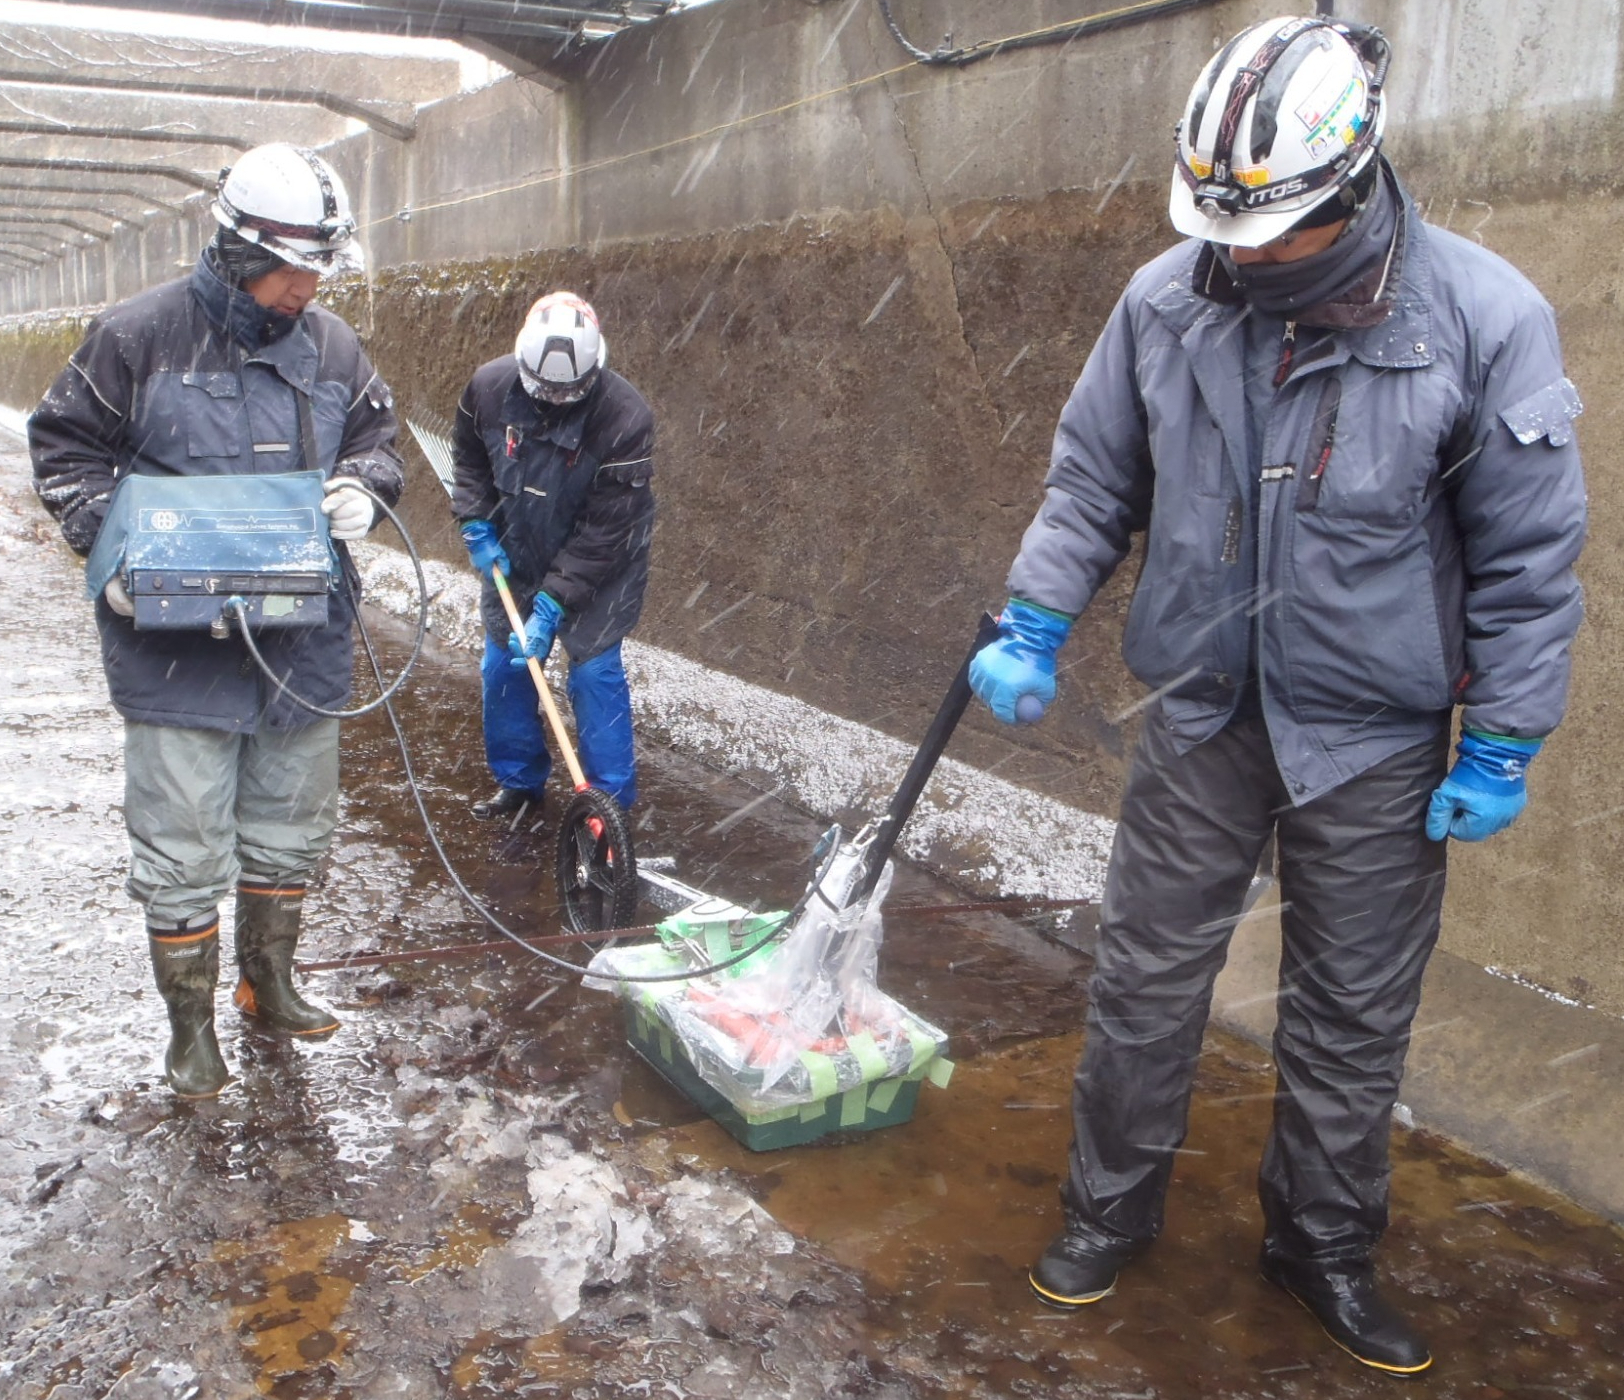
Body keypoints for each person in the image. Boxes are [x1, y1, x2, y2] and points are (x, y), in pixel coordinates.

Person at [969, 16, 1585, 1376]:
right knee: (1143, 985)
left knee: (1353, 1014)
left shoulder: (1483, 321)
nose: (1240, 258)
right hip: (1197, 714)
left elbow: (1528, 560)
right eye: (1222, 231)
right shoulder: (1165, 302)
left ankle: (1320, 1247)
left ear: (1351, 186)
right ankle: (1106, 1211)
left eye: (1272, 234)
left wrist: (1505, 740)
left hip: (1373, 742)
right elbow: (1092, 481)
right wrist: (1037, 613)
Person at [30, 142, 404, 1099]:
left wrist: (364, 486)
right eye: (292, 268)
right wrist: (107, 554)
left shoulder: (333, 347)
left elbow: (376, 438)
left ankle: (267, 981)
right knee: (183, 843)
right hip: (176, 650)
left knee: (290, 825)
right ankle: (189, 1027)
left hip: (303, 637)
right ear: (238, 249)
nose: (305, 288)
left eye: (320, 269)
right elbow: (65, 447)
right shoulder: (138, 337)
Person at [451, 291, 655, 820]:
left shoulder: (625, 418)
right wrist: (475, 520)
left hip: (603, 562)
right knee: (506, 666)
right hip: (517, 541)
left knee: (593, 674)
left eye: (568, 393)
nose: (554, 402)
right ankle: (519, 782)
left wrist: (553, 602)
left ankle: (606, 805)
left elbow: (606, 529)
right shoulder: (489, 388)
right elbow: (470, 459)